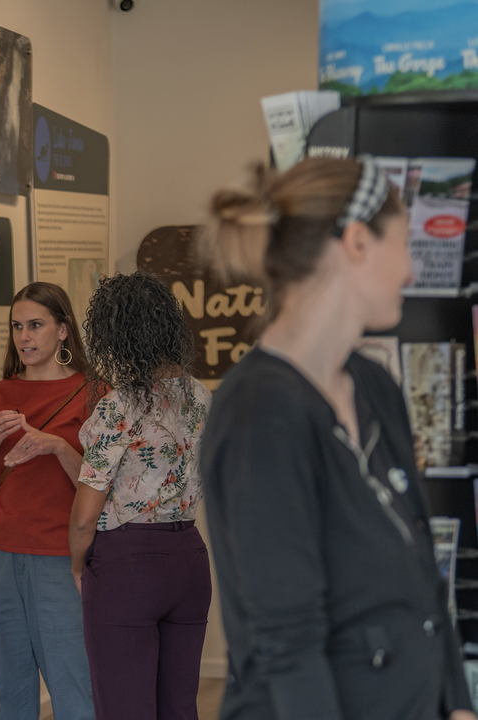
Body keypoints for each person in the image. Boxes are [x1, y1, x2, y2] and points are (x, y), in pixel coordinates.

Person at [199, 157, 476, 720]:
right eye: (403, 244)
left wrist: (458, 706)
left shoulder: (374, 385)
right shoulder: (258, 415)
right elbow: (289, 646)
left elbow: (424, 575)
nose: (411, 272)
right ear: (356, 242)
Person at [68, 270, 213, 720]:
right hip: (189, 556)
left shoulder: (120, 406)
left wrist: (78, 565)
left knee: (124, 708)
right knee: (179, 707)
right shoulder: (200, 396)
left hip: (127, 565)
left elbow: (83, 515)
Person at [0, 282, 96, 720]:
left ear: (63, 330)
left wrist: (57, 446)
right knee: (9, 695)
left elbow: (103, 492)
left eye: (35, 325)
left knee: (75, 691)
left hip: (61, 557)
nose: (24, 336)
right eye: (17, 326)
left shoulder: (96, 395)